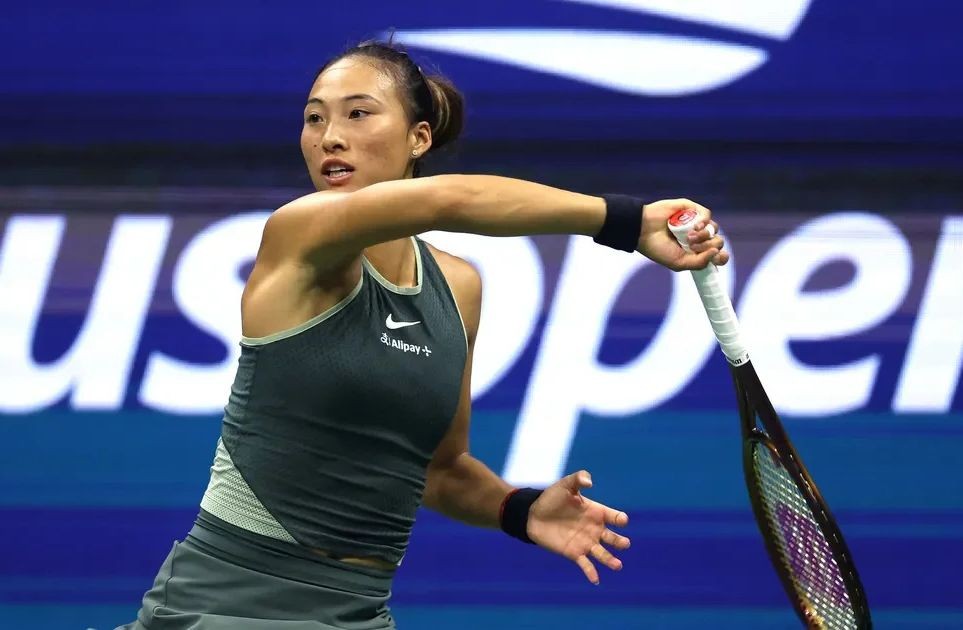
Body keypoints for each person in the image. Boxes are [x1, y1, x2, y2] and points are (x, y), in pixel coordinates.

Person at [121, 39, 728, 630]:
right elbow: (450, 198)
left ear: (419, 137)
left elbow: (440, 469)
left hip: (358, 611)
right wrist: (627, 221)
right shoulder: (297, 235)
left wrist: (519, 509)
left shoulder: (457, 287)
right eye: (314, 118)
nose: (330, 137)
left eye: (358, 113)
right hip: (229, 601)